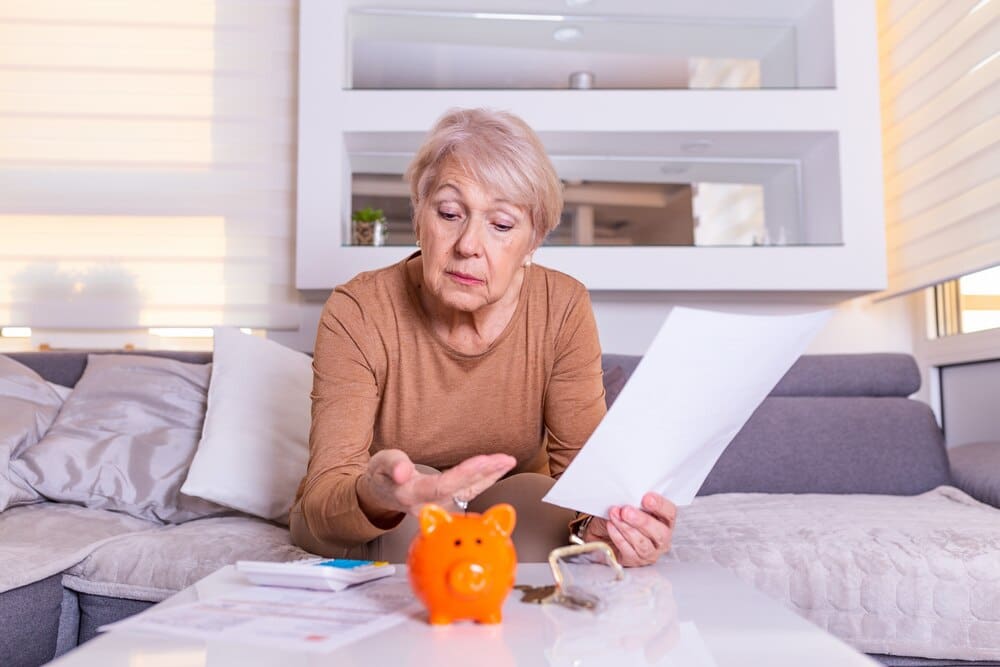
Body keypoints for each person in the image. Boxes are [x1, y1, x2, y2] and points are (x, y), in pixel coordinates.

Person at [290, 108, 676, 566]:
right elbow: (325, 495)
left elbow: (584, 479)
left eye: (501, 225)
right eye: (450, 213)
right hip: (385, 507)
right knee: (422, 524)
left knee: (537, 510)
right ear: (419, 215)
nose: (468, 244)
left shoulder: (563, 305)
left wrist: (614, 527)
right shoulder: (358, 310)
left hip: (512, 496)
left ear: (533, 243)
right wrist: (380, 495)